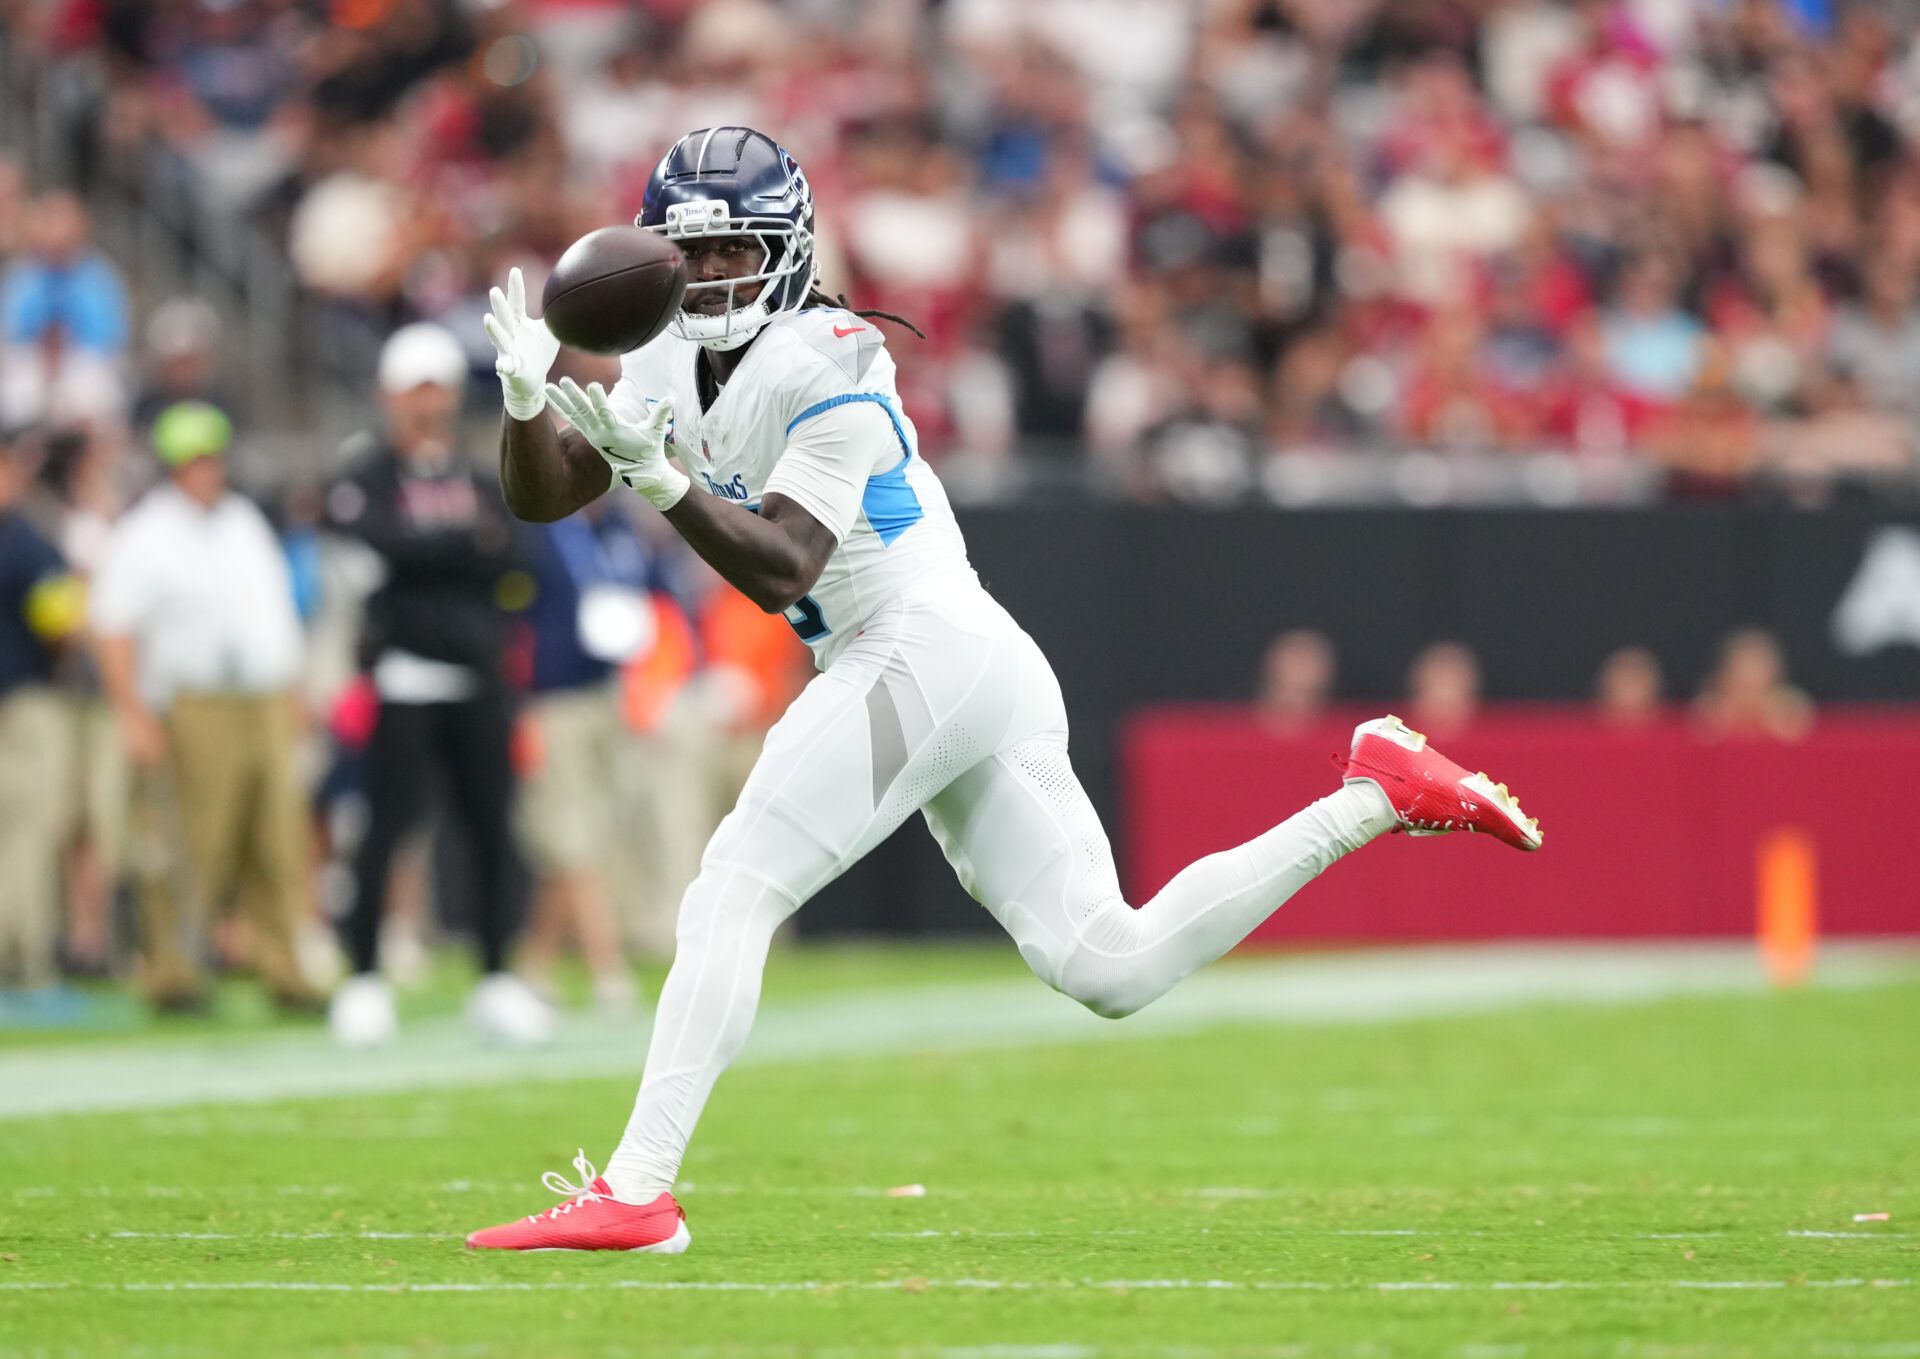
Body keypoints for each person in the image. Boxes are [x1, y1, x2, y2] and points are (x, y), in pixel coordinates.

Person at [467, 128, 1544, 1254]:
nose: (718, 275)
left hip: (922, 642)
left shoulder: (826, 355)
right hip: (948, 658)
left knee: (733, 885)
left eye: (739, 248)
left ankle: (638, 1190)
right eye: (695, 256)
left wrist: (664, 475)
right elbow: (546, 499)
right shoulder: (656, 355)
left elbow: (781, 561)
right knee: (1109, 964)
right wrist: (524, 400)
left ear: (787, 250)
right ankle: (1375, 793)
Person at [322, 323, 553, 1049]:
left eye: (438, 389)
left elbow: (517, 557)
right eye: (415, 389)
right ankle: (361, 977)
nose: (428, 404)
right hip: (402, 677)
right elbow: (383, 548)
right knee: (384, 832)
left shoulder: (480, 479)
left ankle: (495, 976)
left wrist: (435, 558)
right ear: (391, 396)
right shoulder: (366, 477)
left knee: (491, 831)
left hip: (478, 678)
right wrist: (459, 553)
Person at [88, 402, 319, 1011]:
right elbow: (113, 630)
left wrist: (293, 693)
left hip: (262, 698)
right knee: (191, 845)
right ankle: (173, 971)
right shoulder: (146, 533)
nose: (208, 469)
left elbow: (274, 614)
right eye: (196, 459)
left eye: (214, 457)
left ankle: (283, 966)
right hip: (196, 705)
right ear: (173, 465)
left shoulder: (242, 520)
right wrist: (134, 713)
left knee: (276, 841)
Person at [0, 427, 83, 987]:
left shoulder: (30, 538)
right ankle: (21, 957)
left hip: (25, 699)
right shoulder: (28, 542)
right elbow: (62, 625)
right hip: (24, 703)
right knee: (26, 829)